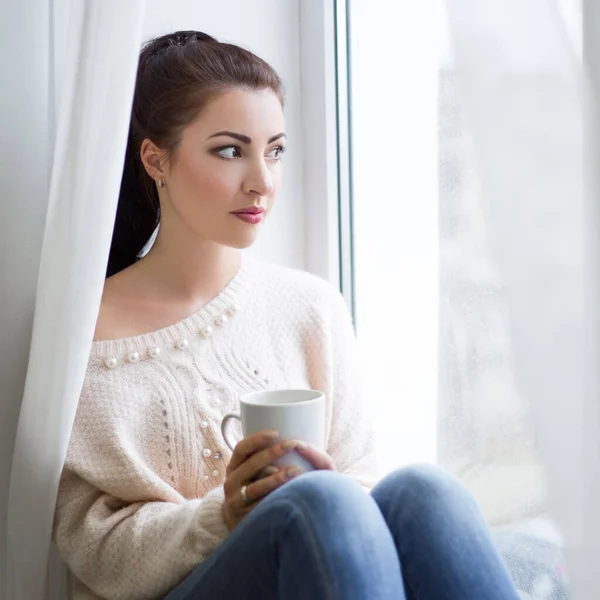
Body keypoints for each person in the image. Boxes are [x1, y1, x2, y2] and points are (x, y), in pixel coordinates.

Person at [52, 30, 520, 600]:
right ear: (156, 159)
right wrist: (222, 515)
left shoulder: (307, 308)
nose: (262, 181)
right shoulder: (84, 337)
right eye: (230, 150)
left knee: (424, 491)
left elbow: (362, 484)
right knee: (318, 501)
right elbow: (93, 548)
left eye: (273, 150)